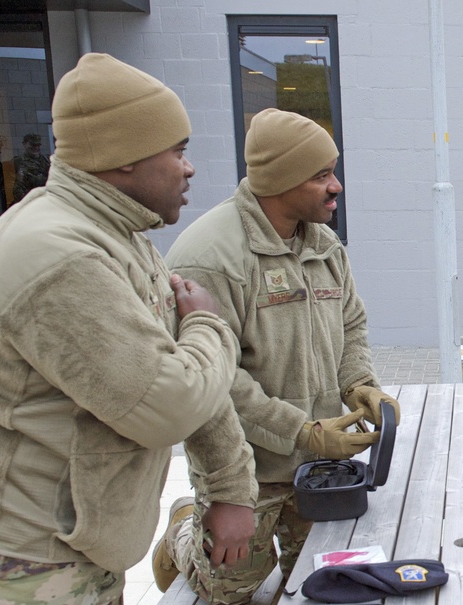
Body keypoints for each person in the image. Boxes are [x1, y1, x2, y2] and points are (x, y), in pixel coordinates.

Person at [0, 53, 257, 604]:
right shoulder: (56, 254)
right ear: (123, 160)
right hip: (5, 558)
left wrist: (233, 491)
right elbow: (170, 403)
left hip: (70, 550)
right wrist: (209, 324)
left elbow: (194, 380)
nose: (189, 169)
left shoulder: (120, 237)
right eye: (178, 151)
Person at [157, 107, 401, 604]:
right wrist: (302, 431)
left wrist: (360, 384)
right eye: (321, 175)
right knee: (230, 590)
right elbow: (214, 379)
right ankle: (184, 529)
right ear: (281, 180)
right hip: (245, 471)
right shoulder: (210, 258)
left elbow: (351, 322)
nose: (336, 187)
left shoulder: (324, 244)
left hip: (317, 466)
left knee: (320, 580)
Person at [12, 132, 51, 201]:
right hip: (29, 199)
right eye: (32, 145)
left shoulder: (47, 161)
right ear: (24, 144)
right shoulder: (17, 162)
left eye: (38, 145)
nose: (36, 148)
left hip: (46, 198)